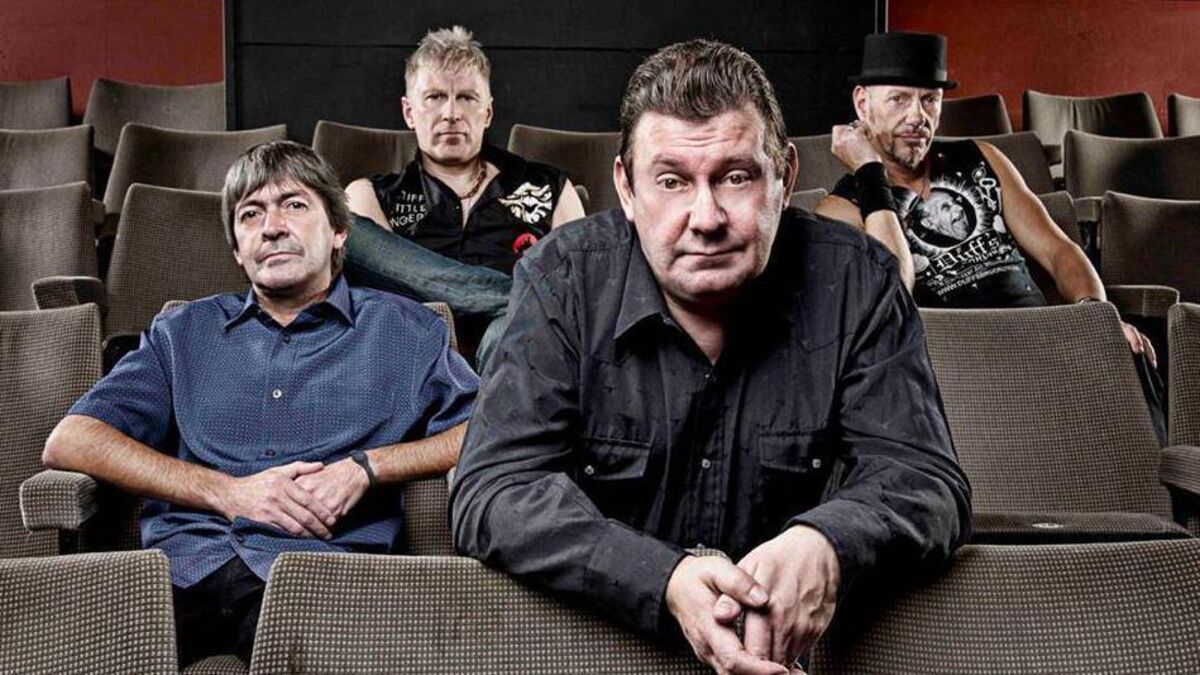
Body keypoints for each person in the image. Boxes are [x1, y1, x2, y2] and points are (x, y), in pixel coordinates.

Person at [450, 39, 971, 674]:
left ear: (784, 177)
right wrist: (662, 577)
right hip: (603, 649)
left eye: (735, 177)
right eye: (671, 181)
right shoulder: (562, 280)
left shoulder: (859, 282)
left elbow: (926, 480)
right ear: (627, 187)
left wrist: (827, 543)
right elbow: (494, 488)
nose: (706, 217)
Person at [42, 141, 478, 666]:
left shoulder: (407, 330)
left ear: (339, 230)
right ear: (237, 248)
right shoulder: (182, 332)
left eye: (294, 205)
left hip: (316, 576)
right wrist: (230, 493)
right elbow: (72, 439)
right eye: (251, 214)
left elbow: (488, 431)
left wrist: (368, 467)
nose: (271, 227)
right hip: (180, 568)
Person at [814, 31, 1166, 440]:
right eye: (898, 99)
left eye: (929, 100)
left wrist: (1096, 316)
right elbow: (894, 291)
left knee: (1129, 347)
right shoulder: (841, 208)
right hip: (959, 364)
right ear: (862, 103)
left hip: (1041, 338)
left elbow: (1058, 251)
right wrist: (870, 175)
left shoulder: (982, 157)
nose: (917, 116)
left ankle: (1163, 477)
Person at [344, 25, 586, 366]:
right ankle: (521, 297)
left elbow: (581, 287)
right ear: (409, 112)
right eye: (435, 97)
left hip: (519, 350)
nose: (451, 114)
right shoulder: (373, 194)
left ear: (487, 112)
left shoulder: (548, 186)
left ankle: (520, 306)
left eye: (467, 98)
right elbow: (376, 303)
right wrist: (527, 297)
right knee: (340, 227)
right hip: (417, 347)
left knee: (510, 331)